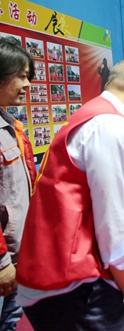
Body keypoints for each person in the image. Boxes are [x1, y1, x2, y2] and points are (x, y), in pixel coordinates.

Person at [16, 57, 124, 330]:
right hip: (72, 284)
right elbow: (115, 220)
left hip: (67, 276)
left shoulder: (101, 117)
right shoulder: (108, 126)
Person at [0, 39, 36, 331]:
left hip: (16, 254)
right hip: (4, 259)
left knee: (10, 322)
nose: (27, 84)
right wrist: (1, 262)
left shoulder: (11, 126)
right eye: (21, 76)